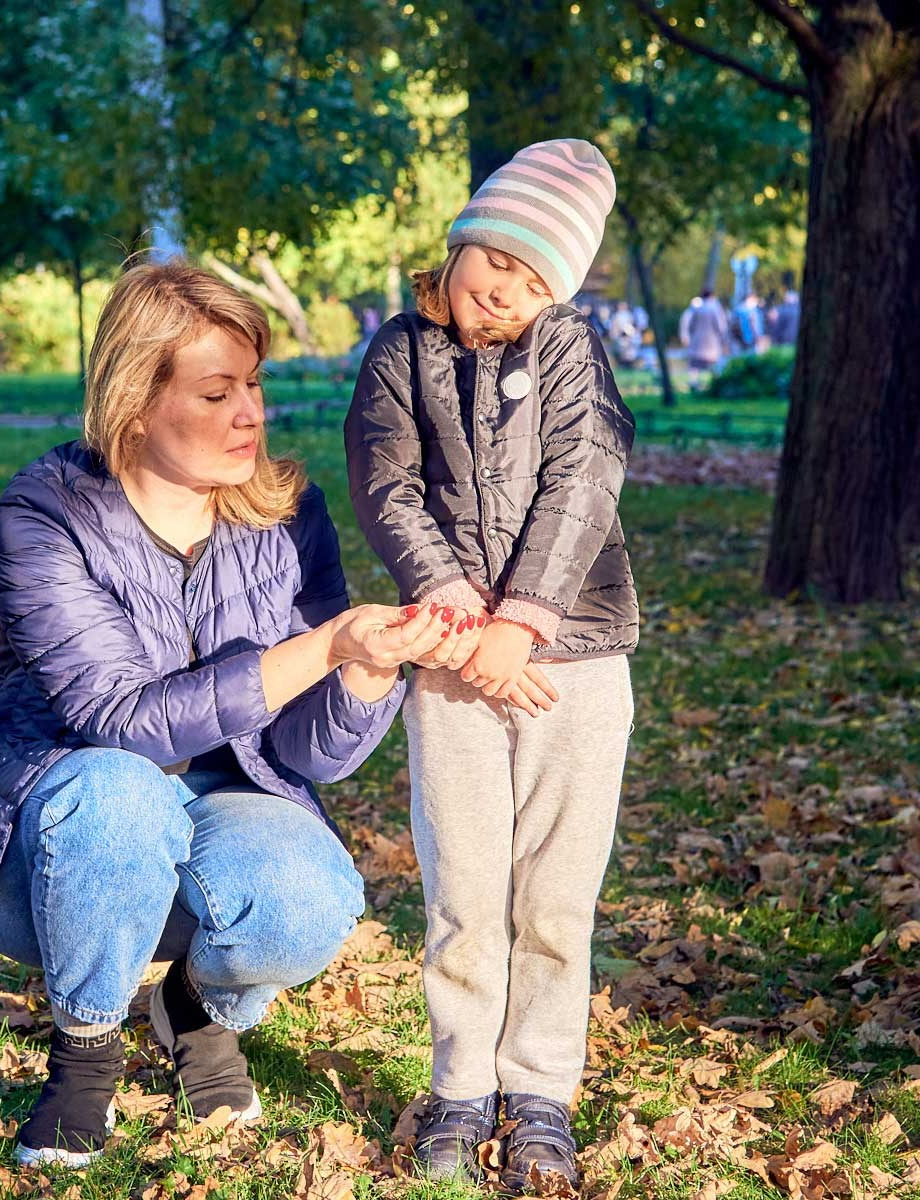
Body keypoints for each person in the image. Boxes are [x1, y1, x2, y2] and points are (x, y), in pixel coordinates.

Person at [0, 261, 451, 1168]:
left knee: (309, 900)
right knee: (120, 791)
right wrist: (320, 648)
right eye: (216, 393)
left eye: (253, 384)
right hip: (42, 845)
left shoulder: (289, 515)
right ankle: (85, 1057)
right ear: (135, 403)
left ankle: (196, 1009)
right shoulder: (46, 513)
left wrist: (366, 671)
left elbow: (310, 756)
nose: (249, 414)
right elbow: (120, 720)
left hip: (220, 809)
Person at [345, 139, 639, 1194]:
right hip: (451, 659)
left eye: (534, 279)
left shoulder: (569, 348)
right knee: (466, 893)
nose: (505, 292)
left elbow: (584, 475)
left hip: (575, 661)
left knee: (555, 898)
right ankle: (462, 1084)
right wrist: (460, 612)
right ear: (462, 241)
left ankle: (541, 1091)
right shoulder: (400, 350)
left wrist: (524, 621)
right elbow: (384, 480)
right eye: (497, 262)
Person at [684, 287, 729, 391]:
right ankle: (716, 384)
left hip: (697, 341)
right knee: (714, 363)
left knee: (694, 364)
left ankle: (693, 383)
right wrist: (724, 339)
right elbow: (721, 327)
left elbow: (691, 326)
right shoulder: (715, 309)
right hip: (711, 342)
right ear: (712, 296)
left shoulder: (697, 309)